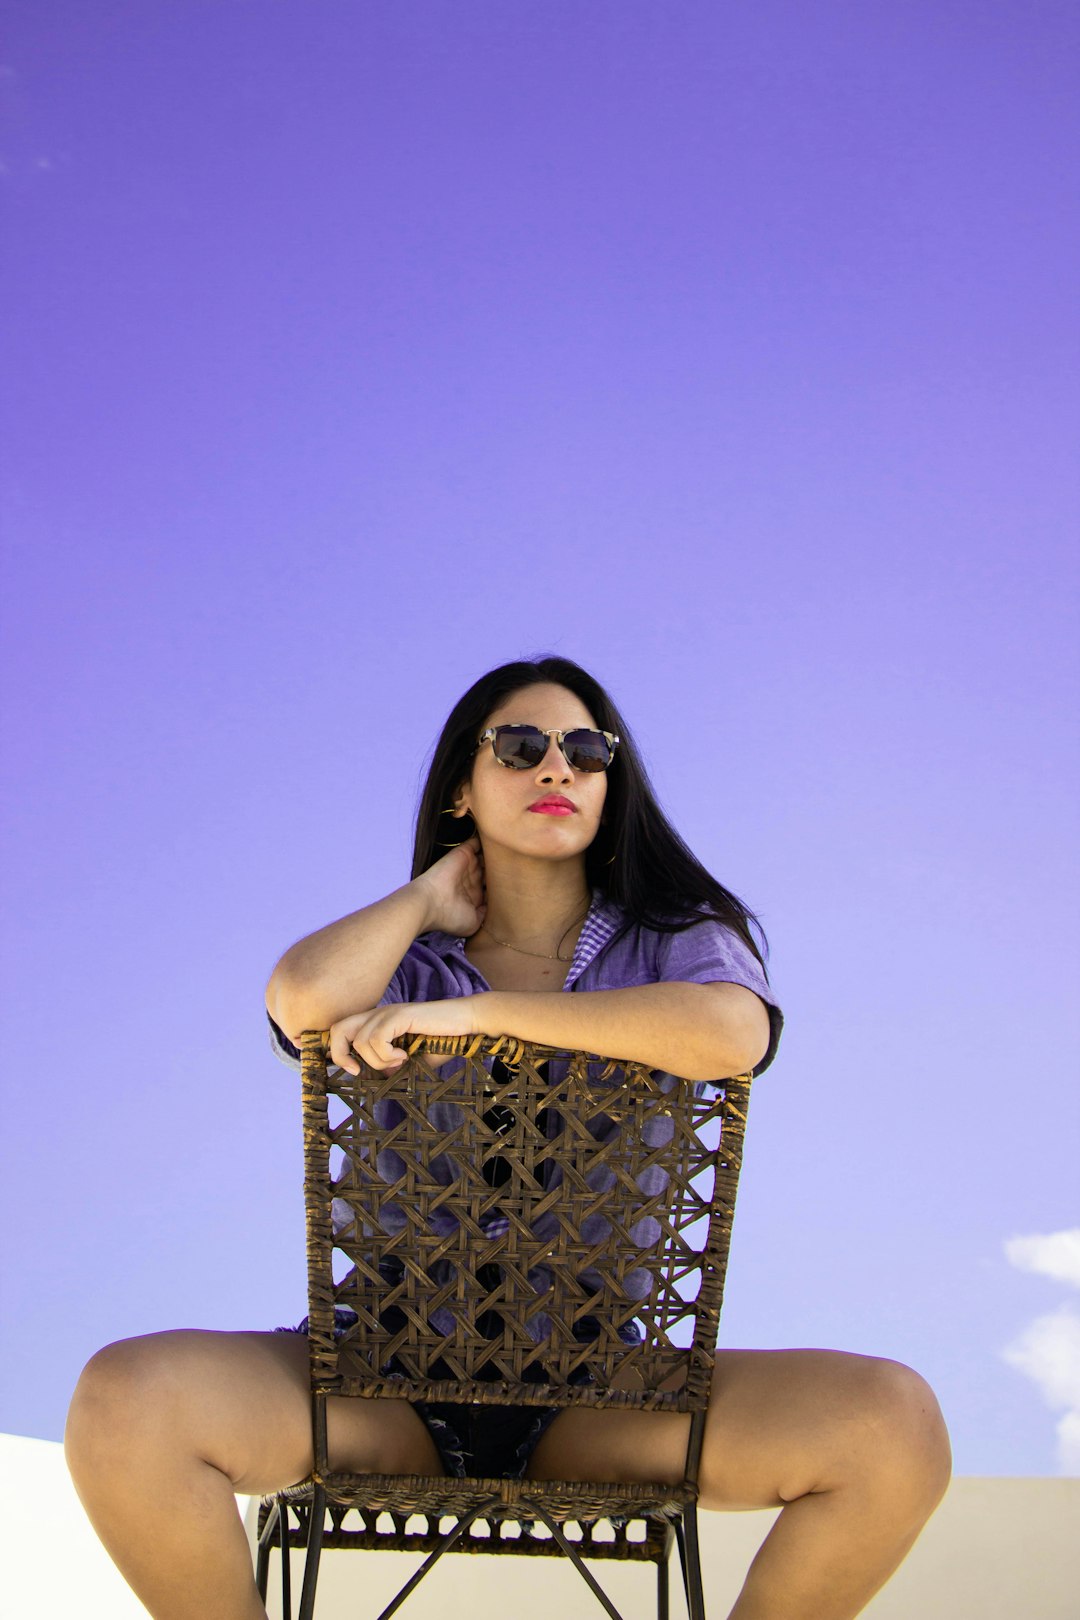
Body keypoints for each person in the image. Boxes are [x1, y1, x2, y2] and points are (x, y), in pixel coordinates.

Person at [65, 655, 951, 1620]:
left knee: (894, 1427)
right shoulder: (411, 965)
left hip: (608, 1395)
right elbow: (301, 1000)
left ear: (612, 781)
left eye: (587, 750)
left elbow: (731, 1035)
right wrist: (427, 901)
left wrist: (483, 1019)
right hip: (382, 1379)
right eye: (522, 747)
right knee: (126, 1400)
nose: (557, 769)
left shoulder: (672, 939)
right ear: (462, 786)